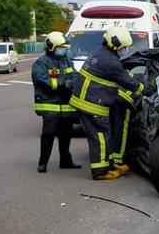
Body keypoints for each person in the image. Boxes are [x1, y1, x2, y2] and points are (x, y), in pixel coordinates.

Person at [70, 27, 145, 179]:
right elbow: (130, 83)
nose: (126, 50)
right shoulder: (110, 61)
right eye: (124, 47)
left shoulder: (101, 54)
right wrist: (146, 88)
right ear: (116, 45)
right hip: (92, 104)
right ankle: (100, 172)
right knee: (100, 137)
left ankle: (109, 164)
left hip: (89, 101)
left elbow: (117, 76)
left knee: (105, 135)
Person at [31, 31, 81, 173]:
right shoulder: (41, 63)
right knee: (49, 133)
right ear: (51, 46)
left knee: (66, 133)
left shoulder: (66, 59)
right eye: (60, 47)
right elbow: (42, 80)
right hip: (50, 103)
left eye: (64, 47)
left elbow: (74, 74)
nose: (63, 49)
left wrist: (76, 81)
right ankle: (43, 162)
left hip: (66, 104)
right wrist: (63, 83)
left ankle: (65, 160)